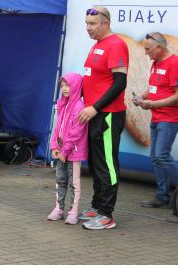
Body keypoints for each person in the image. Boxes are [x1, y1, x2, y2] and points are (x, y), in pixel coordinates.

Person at [78, 6, 129, 230]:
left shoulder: (116, 44)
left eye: (93, 24)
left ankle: (107, 215)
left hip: (108, 115)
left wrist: (96, 107)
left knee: (107, 165)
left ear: (105, 23)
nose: (88, 28)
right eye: (87, 23)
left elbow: (120, 83)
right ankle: (97, 207)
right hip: (94, 114)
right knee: (96, 163)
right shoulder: (97, 45)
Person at [133, 32, 178, 209]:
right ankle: (162, 196)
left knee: (161, 156)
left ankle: (165, 194)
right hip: (157, 117)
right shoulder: (156, 62)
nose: (146, 53)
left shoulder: (174, 63)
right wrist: (141, 98)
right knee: (155, 158)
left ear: (159, 47)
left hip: (169, 119)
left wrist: (153, 104)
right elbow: (154, 87)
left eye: (148, 49)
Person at [47, 73, 88, 225]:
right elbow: (57, 128)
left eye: (68, 85)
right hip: (61, 152)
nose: (64, 89)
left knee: (74, 182)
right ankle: (59, 208)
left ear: (76, 87)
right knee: (60, 179)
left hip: (73, 153)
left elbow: (76, 132)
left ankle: (73, 211)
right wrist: (54, 147)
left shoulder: (79, 107)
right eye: (62, 85)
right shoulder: (62, 105)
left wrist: (65, 151)